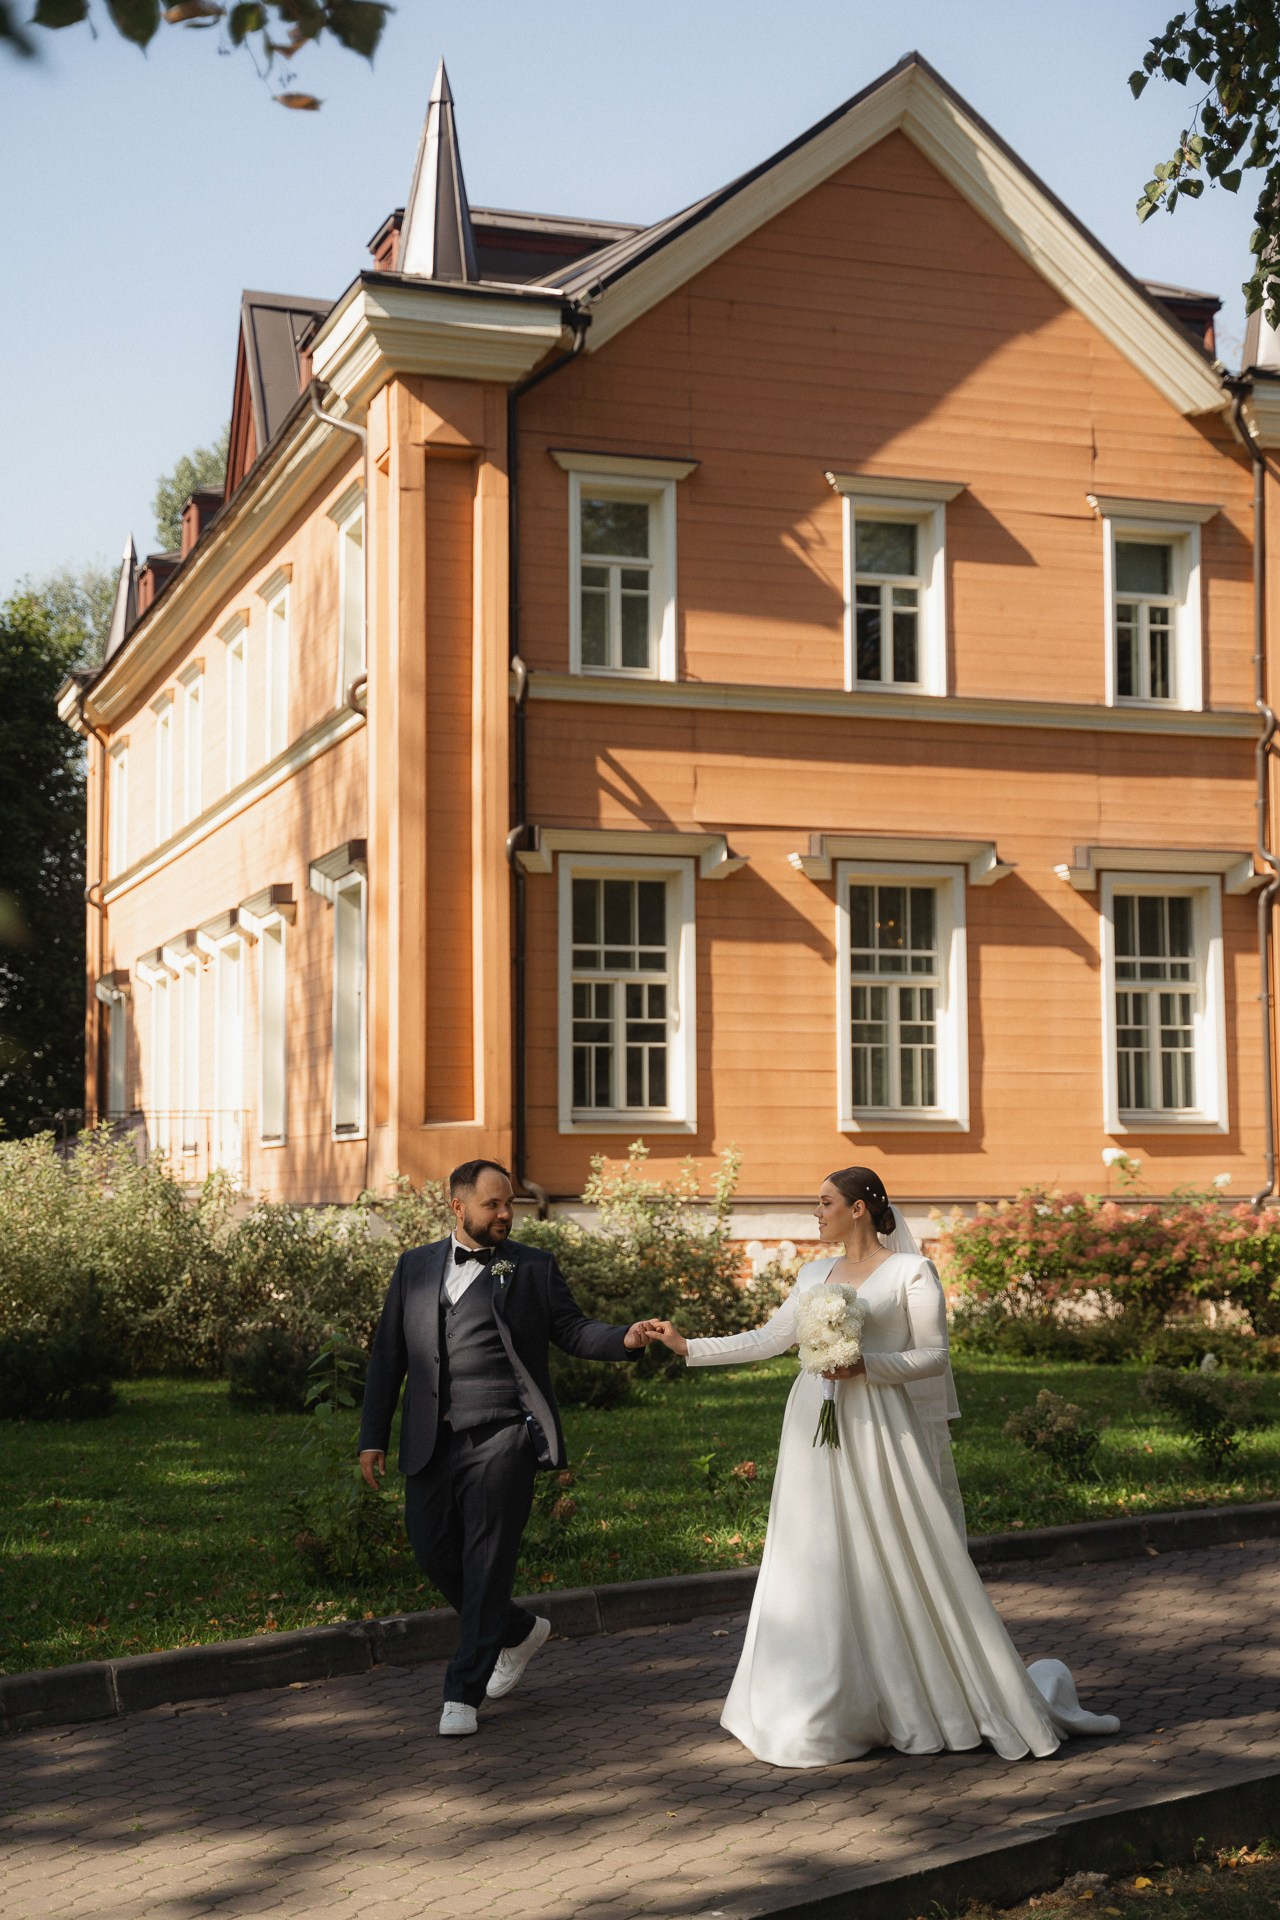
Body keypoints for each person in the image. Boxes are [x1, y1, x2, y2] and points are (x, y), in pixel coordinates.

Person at [648, 1166, 1119, 1769]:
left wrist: (866, 1366)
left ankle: (917, 1692)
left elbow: (933, 1356)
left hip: (877, 1425)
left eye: (825, 1202)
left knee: (891, 1546)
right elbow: (769, 1338)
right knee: (812, 1548)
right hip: (811, 1422)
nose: (816, 1213)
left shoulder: (910, 1272)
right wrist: (688, 1346)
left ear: (859, 1208)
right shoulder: (813, 1274)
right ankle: (813, 1698)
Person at [358, 1159, 660, 1738]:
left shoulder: (531, 1267)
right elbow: (388, 1357)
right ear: (458, 1206)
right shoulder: (414, 1267)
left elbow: (572, 1329)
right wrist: (372, 1436)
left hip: (503, 1433)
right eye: (492, 1204)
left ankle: (462, 1692)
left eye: (509, 1204)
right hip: (431, 1437)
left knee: (487, 1562)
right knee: (431, 1548)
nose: (504, 1214)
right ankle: (517, 1630)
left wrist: (623, 1338)